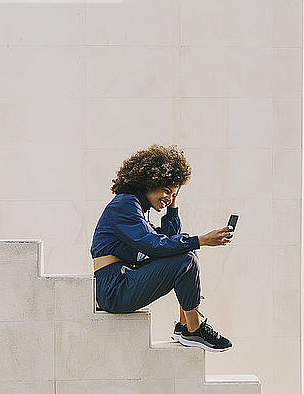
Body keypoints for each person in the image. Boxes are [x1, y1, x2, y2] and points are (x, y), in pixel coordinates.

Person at [90, 144, 233, 352]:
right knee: (187, 259)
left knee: (186, 255)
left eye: (173, 194)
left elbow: (169, 240)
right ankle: (193, 328)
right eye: (166, 191)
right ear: (150, 181)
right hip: (114, 287)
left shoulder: (138, 208)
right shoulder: (124, 205)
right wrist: (201, 240)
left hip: (125, 279)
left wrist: (173, 206)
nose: (168, 198)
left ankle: (185, 325)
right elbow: (154, 245)